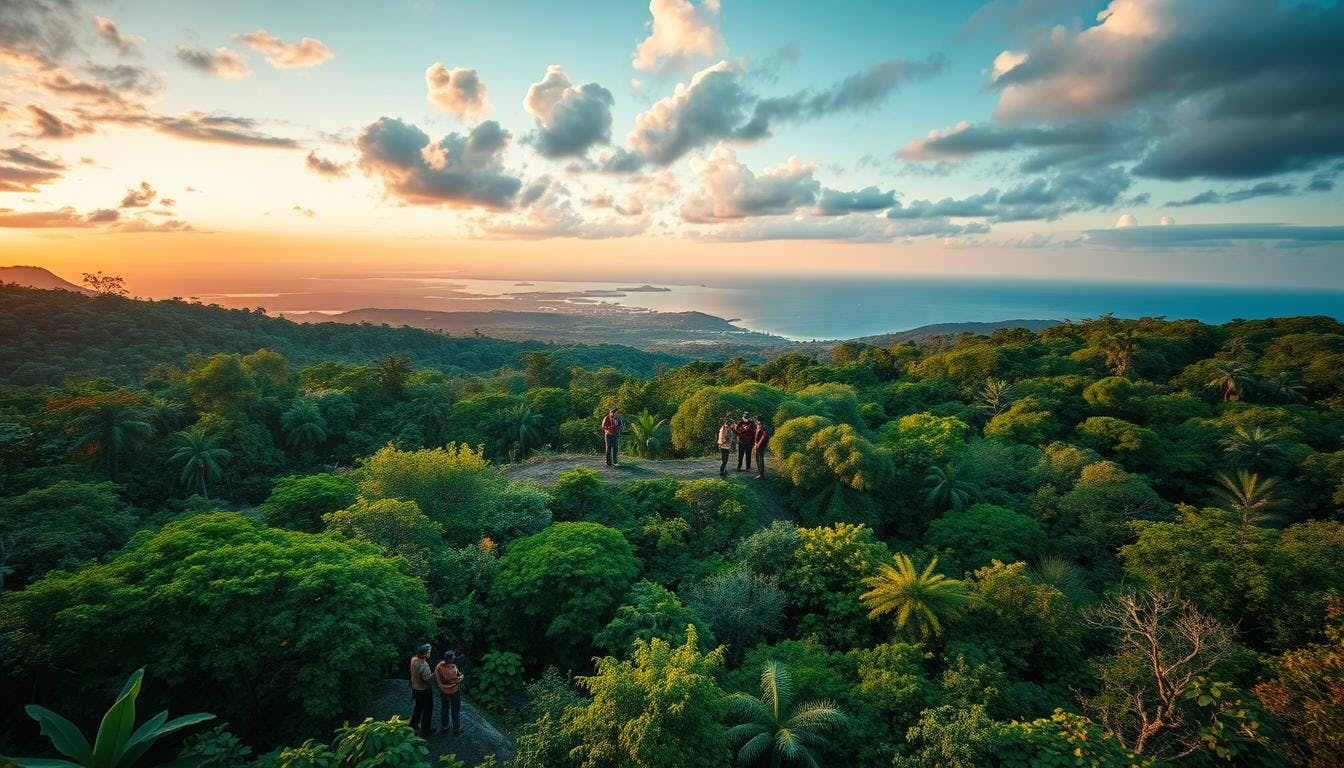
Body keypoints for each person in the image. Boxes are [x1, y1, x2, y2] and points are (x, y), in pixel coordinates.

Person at [435, 649, 465, 736]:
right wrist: (462, 676)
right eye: (453, 657)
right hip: (454, 691)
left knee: (445, 708)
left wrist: (441, 685)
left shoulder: (439, 666)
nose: (455, 657)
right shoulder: (453, 668)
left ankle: (445, 726)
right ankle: (456, 728)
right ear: (451, 659)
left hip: (443, 690)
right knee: (455, 709)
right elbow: (458, 679)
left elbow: (437, 678)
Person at [409, 643, 436, 736]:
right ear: (425, 654)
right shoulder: (424, 665)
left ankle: (413, 723)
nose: (430, 654)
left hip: (415, 687)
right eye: (429, 652)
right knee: (428, 709)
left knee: (418, 706)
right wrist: (434, 674)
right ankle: (426, 730)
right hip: (423, 690)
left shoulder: (414, 659)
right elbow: (427, 680)